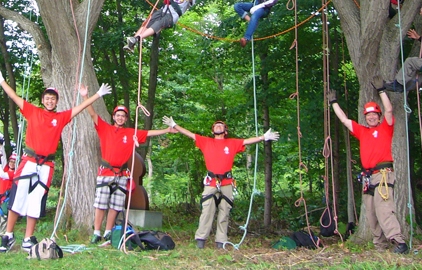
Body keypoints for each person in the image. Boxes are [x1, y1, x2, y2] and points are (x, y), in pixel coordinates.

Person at [0, 66, 112, 254]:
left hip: (47, 164)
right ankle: (8, 235)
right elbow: (14, 97)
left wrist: (96, 95)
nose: (50, 100)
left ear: (56, 102)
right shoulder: (32, 111)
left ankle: (28, 237)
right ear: (43, 100)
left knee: (36, 201)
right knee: (18, 198)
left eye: (53, 98)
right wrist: (1, 80)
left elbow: (80, 108)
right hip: (29, 161)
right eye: (47, 97)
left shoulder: (61, 118)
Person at [162, 116, 279, 249]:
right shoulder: (206, 142)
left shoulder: (232, 143)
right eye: (216, 125)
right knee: (207, 210)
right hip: (211, 181)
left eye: (221, 125)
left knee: (225, 211)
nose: (218, 126)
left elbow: (247, 141)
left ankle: (221, 241)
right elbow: (189, 134)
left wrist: (264, 137)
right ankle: (201, 239)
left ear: (225, 130)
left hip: (227, 182)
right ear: (212, 131)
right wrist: (174, 125)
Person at [328, 83, 408, 253]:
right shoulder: (362, 131)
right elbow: (344, 120)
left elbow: (388, 110)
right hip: (368, 177)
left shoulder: (385, 128)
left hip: (383, 174)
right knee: (371, 212)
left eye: (374, 115)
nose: (371, 117)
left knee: (384, 208)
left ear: (378, 117)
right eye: (368, 115)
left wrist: (381, 91)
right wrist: (334, 102)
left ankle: (399, 242)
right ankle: (380, 245)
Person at [82, 97, 173, 246]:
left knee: (116, 206)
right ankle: (96, 232)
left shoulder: (131, 133)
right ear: (113, 117)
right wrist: (86, 96)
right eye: (118, 115)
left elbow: (149, 133)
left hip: (122, 175)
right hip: (106, 172)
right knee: (100, 203)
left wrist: (167, 130)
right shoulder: (105, 128)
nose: (120, 117)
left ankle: (108, 232)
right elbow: (92, 114)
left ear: (125, 119)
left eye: (123, 116)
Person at [123, 0, 195, 53]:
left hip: (171, 16)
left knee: (158, 24)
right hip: (162, 10)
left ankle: (136, 39)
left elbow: (190, 0)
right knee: (148, 22)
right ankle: (132, 43)